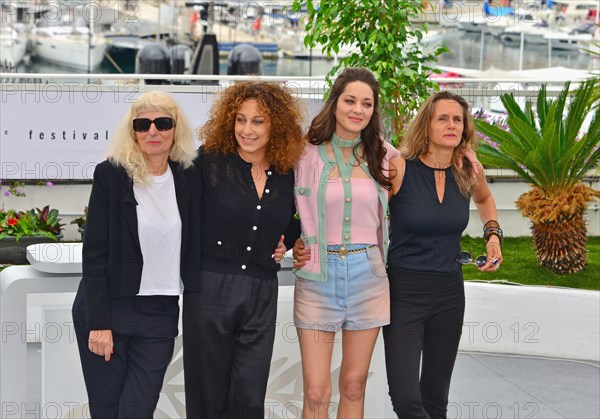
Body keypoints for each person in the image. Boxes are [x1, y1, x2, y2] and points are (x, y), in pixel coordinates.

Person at [183, 81, 305, 419]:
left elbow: (292, 223)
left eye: (258, 121)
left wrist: (288, 241)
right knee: (208, 397)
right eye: (240, 120)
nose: (246, 130)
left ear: (276, 125)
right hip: (210, 289)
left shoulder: (286, 170)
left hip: (261, 292)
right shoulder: (206, 163)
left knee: (250, 399)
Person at [72, 91, 198, 418]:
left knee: (137, 409)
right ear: (133, 131)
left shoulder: (189, 176)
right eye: (143, 124)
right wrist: (98, 323)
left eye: (162, 123)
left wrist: (283, 241)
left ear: (175, 128)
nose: (152, 131)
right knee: (108, 409)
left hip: (161, 310)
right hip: (108, 308)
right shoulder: (111, 175)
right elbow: (95, 252)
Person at [384, 91, 503, 418]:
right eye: (443, 118)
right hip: (403, 293)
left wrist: (493, 235)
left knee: (435, 399)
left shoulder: (467, 171)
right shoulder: (400, 169)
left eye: (457, 119)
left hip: (449, 294)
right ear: (427, 125)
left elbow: (485, 199)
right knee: (406, 398)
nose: (451, 125)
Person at [292, 67, 399, 418]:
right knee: (316, 393)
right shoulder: (304, 154)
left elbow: (435, 161)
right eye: (350, 100)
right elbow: (278, 202)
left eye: (367, 103)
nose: (358, 109)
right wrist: (293, 241)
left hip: (368, 276)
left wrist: (468, 156)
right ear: (335, 103)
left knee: (354, 384)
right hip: (317, 278)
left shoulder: (385, 156)